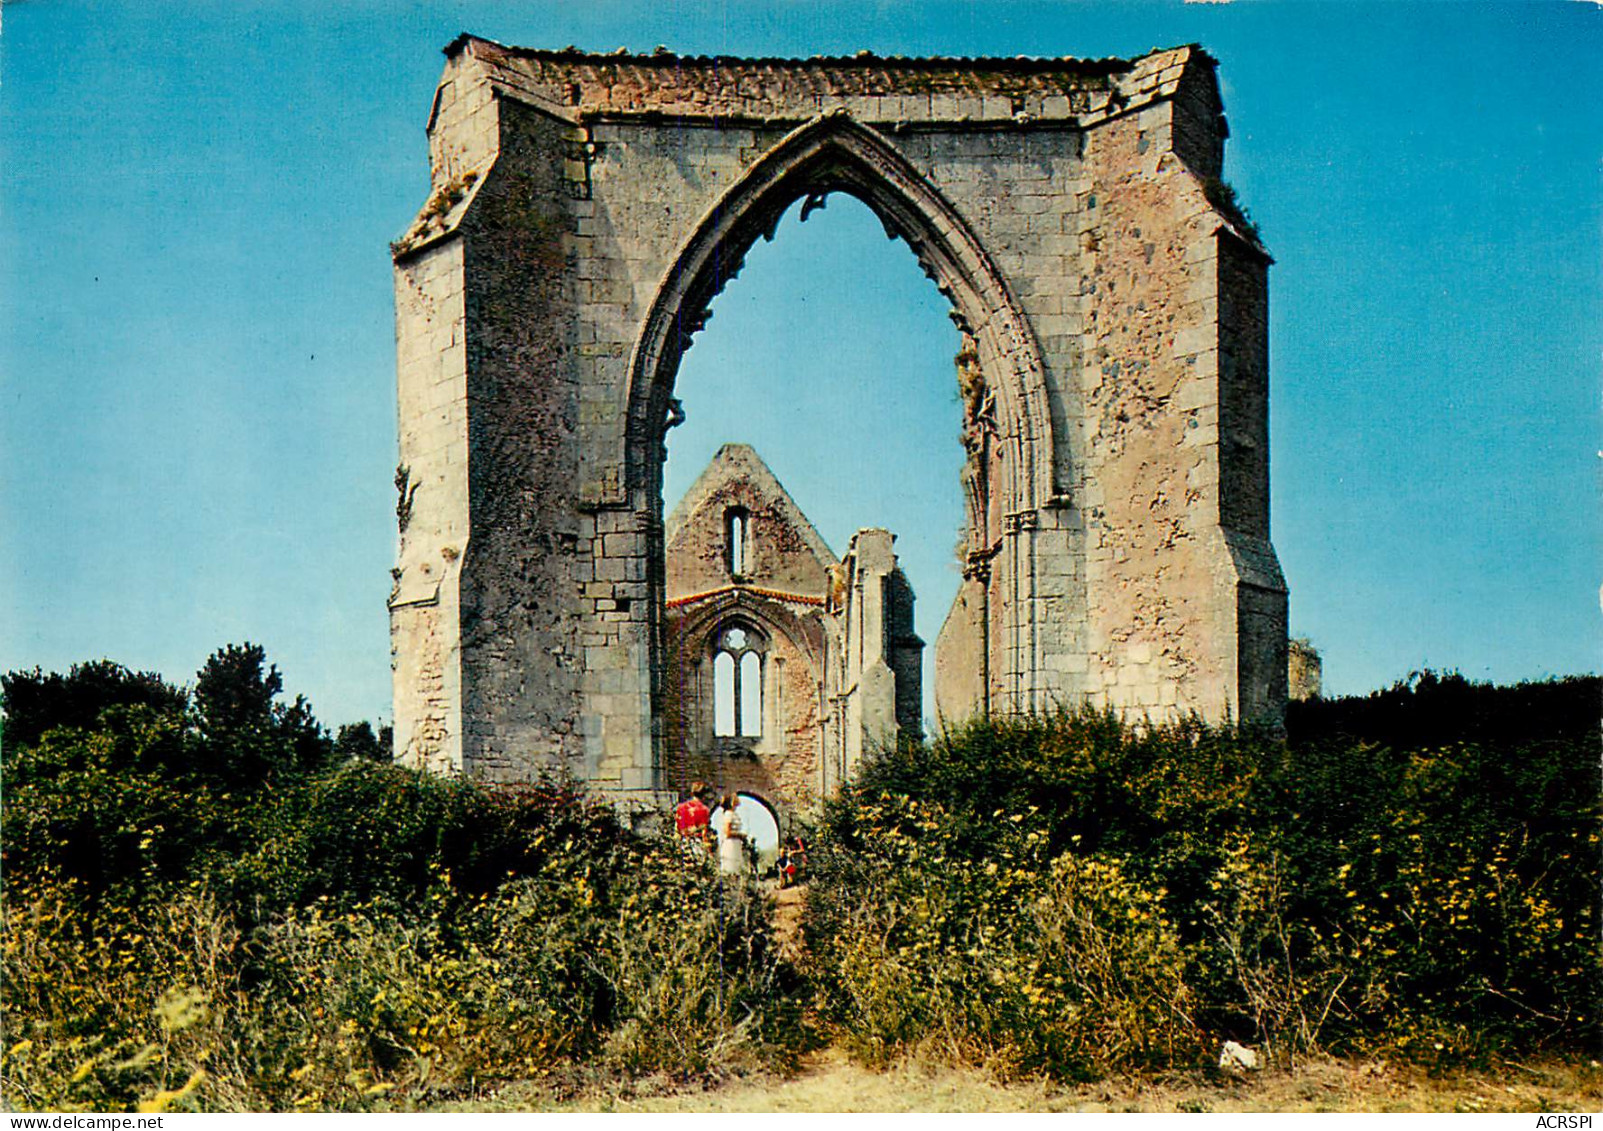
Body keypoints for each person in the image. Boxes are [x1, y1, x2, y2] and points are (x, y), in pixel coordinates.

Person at [714, 792, 748, 876]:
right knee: (731, 867)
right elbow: (727, 832)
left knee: (736, 868)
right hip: (731, 844)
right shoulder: (728, 814)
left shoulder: (733, 814)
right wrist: (740, 835)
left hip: (735, 844)